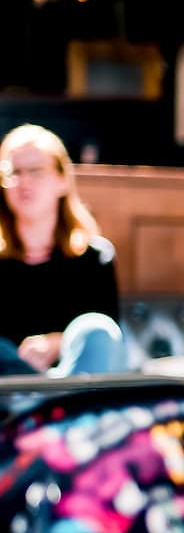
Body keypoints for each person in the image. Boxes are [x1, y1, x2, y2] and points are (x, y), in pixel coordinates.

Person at [0, 124, 127, 378]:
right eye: (13, 172)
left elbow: (108, 343)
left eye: (36, 171)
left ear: (61, 180)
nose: (24, 181)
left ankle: (51, 410)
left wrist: (56, 343)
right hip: (8, 393)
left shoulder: (94, 259)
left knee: (95, 330)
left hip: (71, 386)